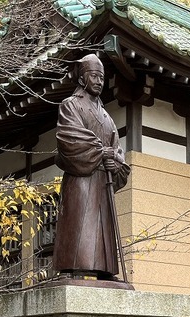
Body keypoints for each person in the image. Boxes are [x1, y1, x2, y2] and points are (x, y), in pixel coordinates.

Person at [52, 54, 131, 280]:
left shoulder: (107, 116)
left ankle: (104, 270)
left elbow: (117, 150)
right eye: (94, 76)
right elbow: (69, 138)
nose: (98, 81)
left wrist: (114, 160)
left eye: (102, 78)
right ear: (82, 78)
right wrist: (100, 152)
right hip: (81, 179)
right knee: (80, 226)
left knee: (103, 228)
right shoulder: (71, 105)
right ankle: (75, 266)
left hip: (102, 180)